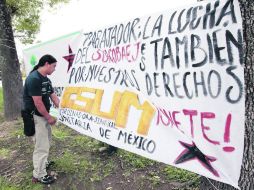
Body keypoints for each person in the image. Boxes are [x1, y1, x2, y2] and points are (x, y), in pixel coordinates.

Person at [23, 54, 60, 184]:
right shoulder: (34, 79)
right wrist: (49, 117)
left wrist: (62, 108)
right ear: (46, 64)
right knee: (41, 145)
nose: (55, 69)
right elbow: (38, 103)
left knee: (47, 141)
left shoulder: (46, 79)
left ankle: (43, 163)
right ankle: (39, 174)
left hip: (43, 115)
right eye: (54, 66)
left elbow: (53, 96)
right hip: (36, 117)